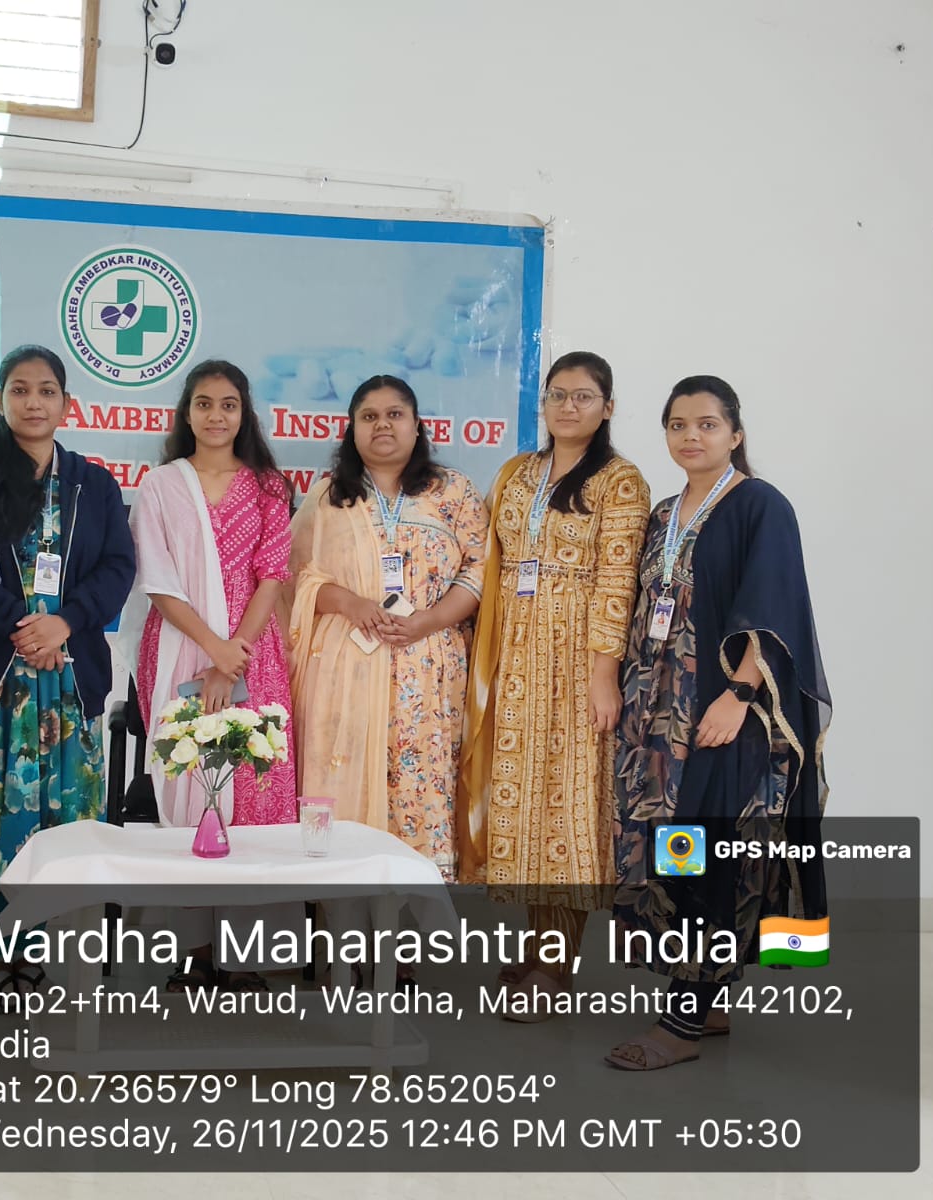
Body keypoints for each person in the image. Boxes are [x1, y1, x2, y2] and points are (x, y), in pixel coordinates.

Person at [606, 376, 831, 1070]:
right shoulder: (662, 513)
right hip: (657, 720)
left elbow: (777, 605)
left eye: (707, 424)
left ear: (735, 433)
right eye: (677, 425)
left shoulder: (760, 505)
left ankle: (681, 1022)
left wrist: (737, 694)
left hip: (723, 714)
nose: (691, 436)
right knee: (670, 851)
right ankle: (706, 999)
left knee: (713, 857)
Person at [0, 345, 135, 991]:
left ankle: (40, 948)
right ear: (0, 398)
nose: (33, 402)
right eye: (20, 389)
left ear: (67, 403)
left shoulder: (94, 485)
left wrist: (64, 622)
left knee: (59, 821)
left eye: (46, 391)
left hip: (66, 678)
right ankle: (0, 953)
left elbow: (118, 568)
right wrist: (20, 625)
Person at [457, 351, 649, 1015]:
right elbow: (490, 560)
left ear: (608, 407)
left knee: (570, 805)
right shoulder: (519, 472)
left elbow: (619, 582)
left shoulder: (620, 481)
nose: (569, 407)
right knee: (526, 803)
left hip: (575, 660)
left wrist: (604, 674)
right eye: (558, 395)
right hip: (515, 656)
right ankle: (538, 947)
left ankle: (555, 966)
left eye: (584, 396)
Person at [289, 376, 487, 886]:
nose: (383, 425)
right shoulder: (328, 497)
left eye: (395, 414)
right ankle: (342, 915)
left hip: (429, 667)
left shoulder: (454, 491)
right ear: (352, 428)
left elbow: (480, 569)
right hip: (345, 666)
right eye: (369, 416)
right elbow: (296, 579)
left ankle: (409, 927)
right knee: (344, 784)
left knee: (421, 787)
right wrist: (351, 604)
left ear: (417, 426)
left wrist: (429, 620)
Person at [123, 359, 297, 828]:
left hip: (251, 645)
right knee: (188, 761)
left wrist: (231, 657)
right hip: (179, 637)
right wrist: (213, 648)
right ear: (187, 413)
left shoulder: (269, 487)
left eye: (228, 405)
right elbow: (156, 580)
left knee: (257, 773)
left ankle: (257, 878)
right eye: (204, 404)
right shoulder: (160, 485)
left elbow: (271, 577)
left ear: (244, 415)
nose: (216, 416)